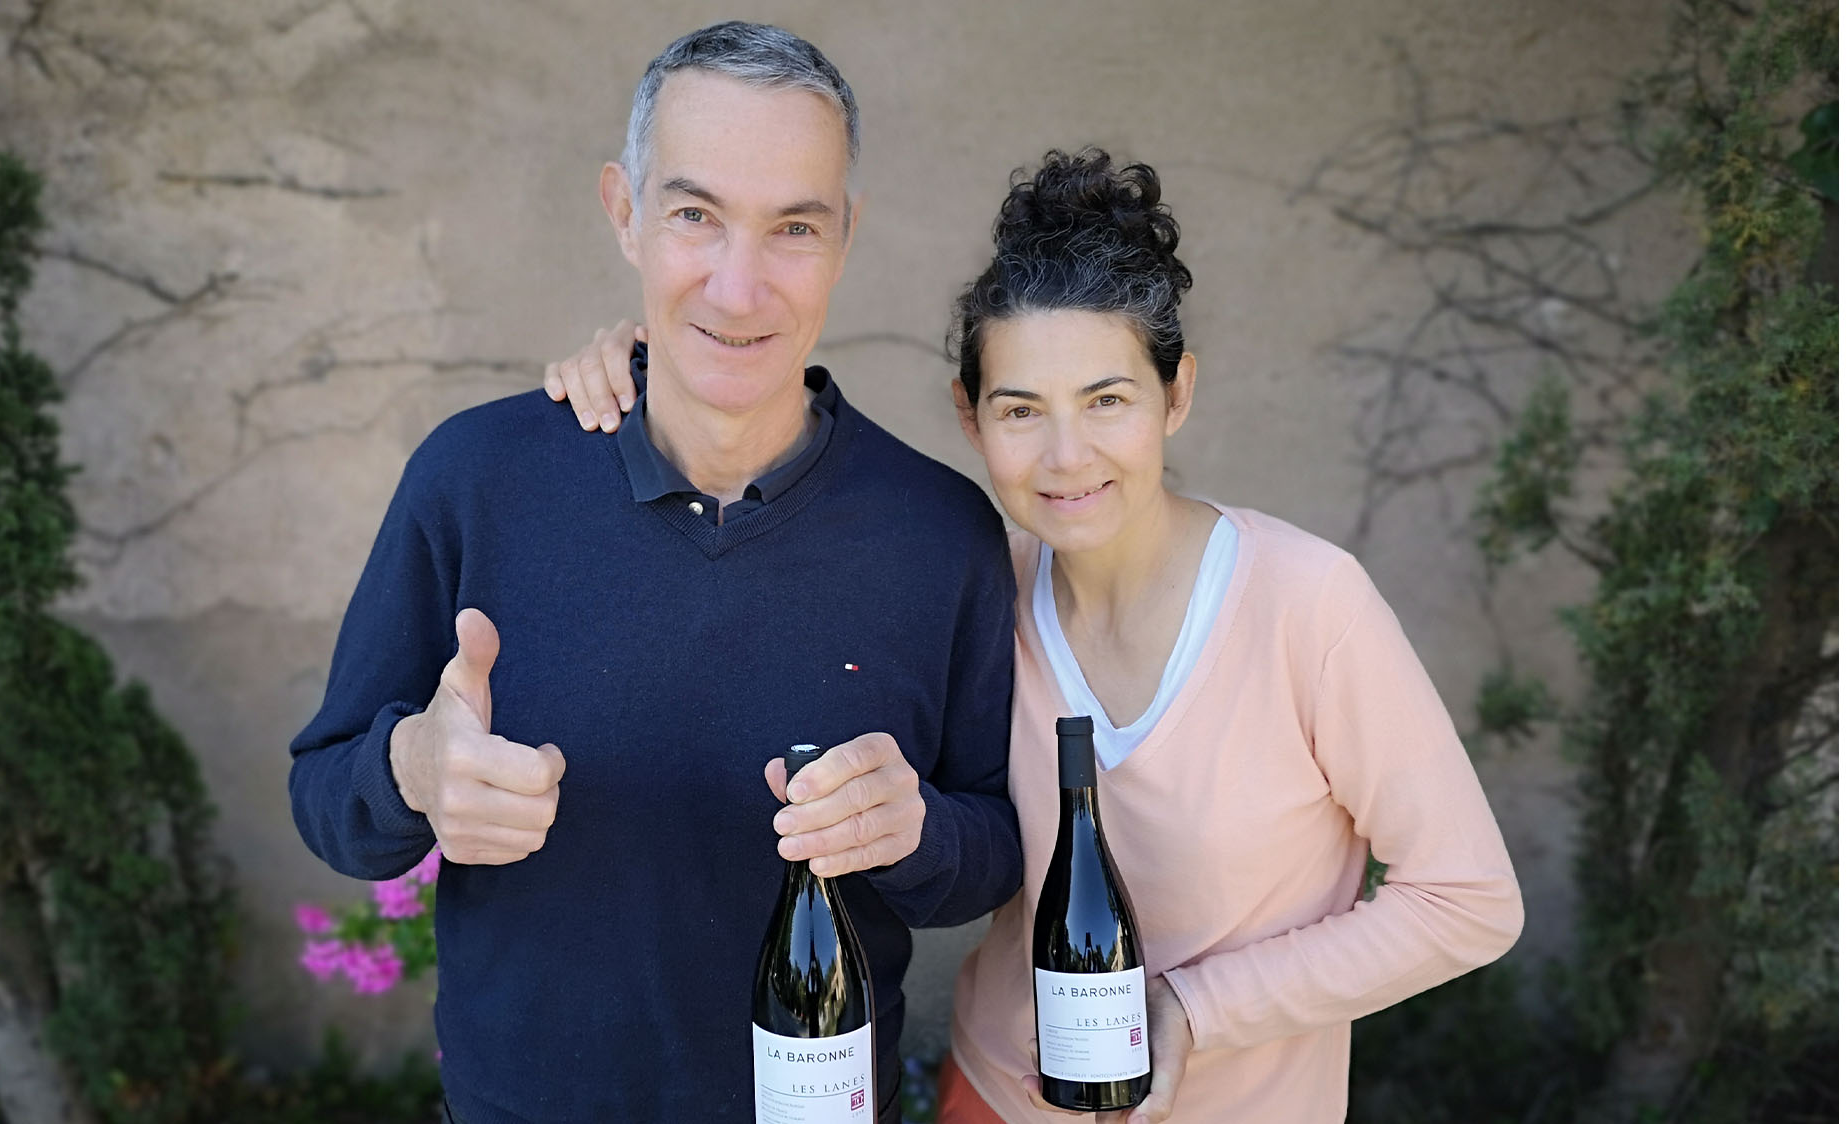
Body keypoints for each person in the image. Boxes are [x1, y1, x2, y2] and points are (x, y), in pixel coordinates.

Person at [548, 149, 1525, 1123]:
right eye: (1021, 410)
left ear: (1176, 393)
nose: (1066, 456)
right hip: (994, 1096)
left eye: (1107, 400)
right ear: (969, 417)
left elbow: (1466, 898)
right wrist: (650, 369)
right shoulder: (981, 585)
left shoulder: (1308, 605)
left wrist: (1195, 1007)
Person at [287, 22, 1022, 1124]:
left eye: (793, 227)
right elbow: (324, 791)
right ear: (623, 211)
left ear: (845, 237)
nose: (738, 285)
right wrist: (411, 770)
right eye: (694, 215)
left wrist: (915, 830)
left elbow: (995, 845)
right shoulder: (475, 477)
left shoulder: (939, 531)